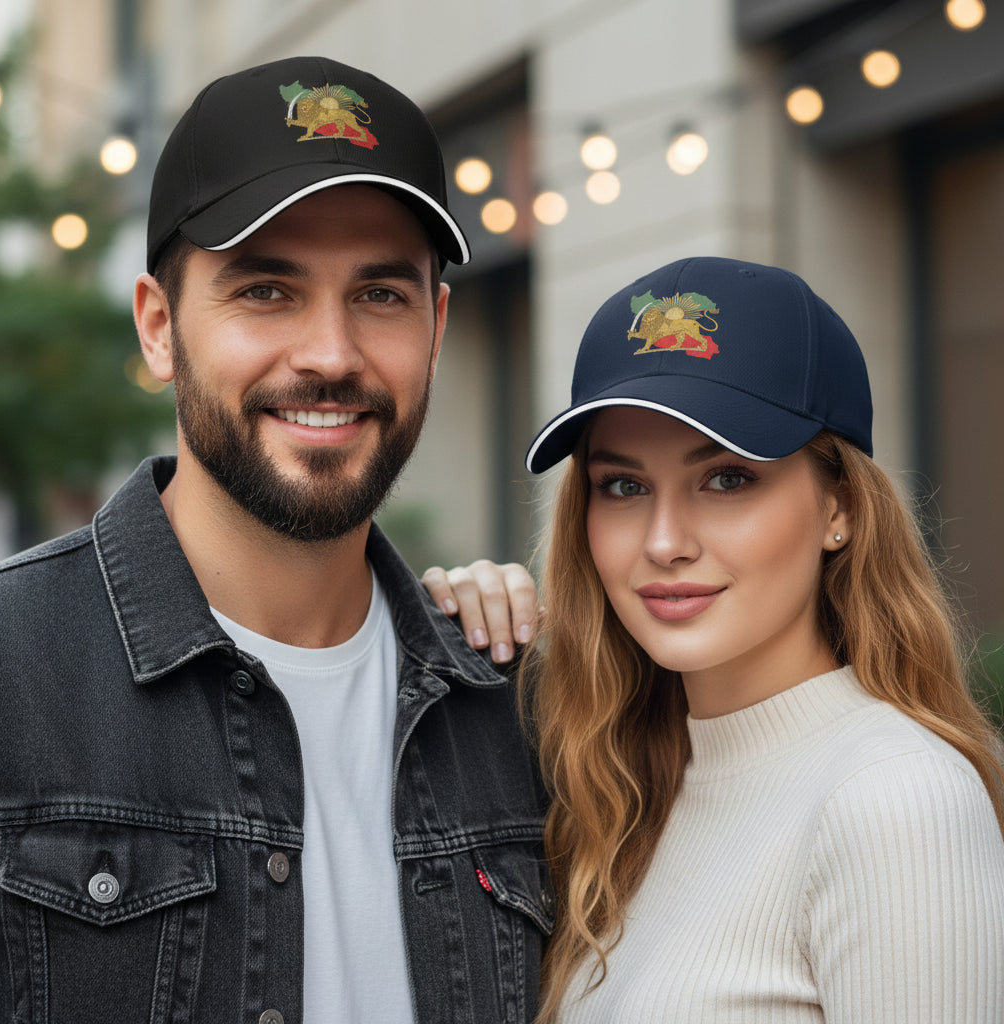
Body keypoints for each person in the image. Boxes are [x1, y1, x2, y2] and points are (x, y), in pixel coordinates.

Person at [0, 56, 550, 1024]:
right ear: (160, 328)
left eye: (379, 294)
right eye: (265, 290)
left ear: (436, 326)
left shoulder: (522, 705)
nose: (330, 354)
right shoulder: (0, 673)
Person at [427, 256, 1004, 1022]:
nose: (664, 542)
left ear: (840, 509)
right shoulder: (625, 786)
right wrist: (437, 630)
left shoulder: (895, 800)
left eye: (727, 479)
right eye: (624, 486)